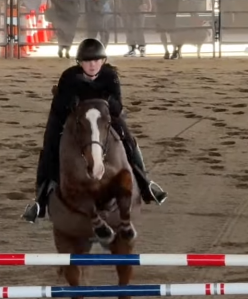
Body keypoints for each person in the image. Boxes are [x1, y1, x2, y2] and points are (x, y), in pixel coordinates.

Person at [21, 38, 168, 223]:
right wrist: (70, 102)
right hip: (68, 117)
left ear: (103, 61)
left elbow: (117, 106)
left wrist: (107, 100)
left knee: (128, 140)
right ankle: (40, 201)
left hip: (104, 117)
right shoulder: (68, 77)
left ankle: (146, 184)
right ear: (80, 62)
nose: (92, 65)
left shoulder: (111, 76)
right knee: (49, 147)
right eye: (88, 61)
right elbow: (59, 106)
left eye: (97, 60)